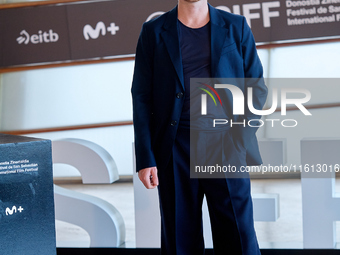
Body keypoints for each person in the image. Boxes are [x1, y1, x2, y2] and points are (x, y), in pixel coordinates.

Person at [131, 0, 268, 254]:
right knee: (180, 240)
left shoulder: (235, 26)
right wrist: (145, 158)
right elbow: (141, 97)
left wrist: (239, 138)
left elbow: (257, 88)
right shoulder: (153, 32)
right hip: (175, 148)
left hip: (225, 144)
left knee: (239, 237)